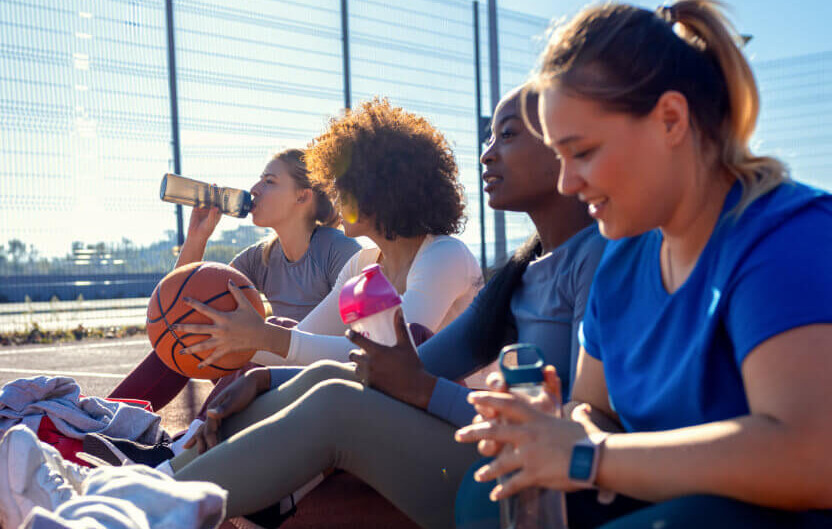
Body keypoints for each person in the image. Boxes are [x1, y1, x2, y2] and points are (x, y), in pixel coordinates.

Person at [454, 0, 832, 528]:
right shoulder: (624, 257)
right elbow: (595, 408)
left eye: (582, 152)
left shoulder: (788, 235)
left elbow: (812, 454)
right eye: (560, 157)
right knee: (487, 493)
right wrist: (558, 429)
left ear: (672, 121)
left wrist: (585, 457)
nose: (567, 181)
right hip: (659, 507)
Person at [153, 87, 606, 529]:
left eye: (506, 136)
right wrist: (265, 373)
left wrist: (421, 388)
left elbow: (409, 377)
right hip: (490, 448)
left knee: (336, 402)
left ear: (564, 144)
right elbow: (398, 368)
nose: (486, 155)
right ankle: (160, 476)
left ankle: (142, 507)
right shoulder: (520, 273)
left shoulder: (583, 259)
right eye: (488, 138)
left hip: (527, 481)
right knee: (319, 381)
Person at [175, 98, 483, 370]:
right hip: (394, 409)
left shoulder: (444, 255)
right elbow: (305, 342)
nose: (334, 193)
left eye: (343, 183)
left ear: (381, 187)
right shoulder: (361, 268)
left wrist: (263, 337)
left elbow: (394, 353)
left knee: (320, 383)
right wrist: (233, 338)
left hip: (457, 420)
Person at [109, 149, 361, 410]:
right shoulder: (261, 256)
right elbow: (182, 302)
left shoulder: (338, 250)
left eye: (269, 181)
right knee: (183, 328)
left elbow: (354, 338)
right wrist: (197, 237)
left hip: (317, 377)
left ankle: (195, 439)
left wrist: (261, 335)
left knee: (258, 332)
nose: (254, 188)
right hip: (266, 369)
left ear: (302, 195)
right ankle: (104, 419)